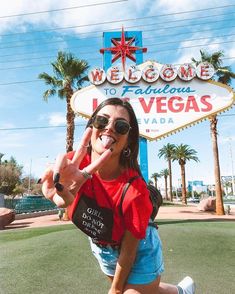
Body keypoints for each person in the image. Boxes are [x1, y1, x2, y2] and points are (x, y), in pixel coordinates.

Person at [40, 98, 195, 294]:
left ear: (129, 140)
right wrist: (55, 193)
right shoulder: (72, 166)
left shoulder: (135, 190)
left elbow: (130, 248)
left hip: (139, 248)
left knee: (127, 291)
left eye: (120, 126)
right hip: (103, 247)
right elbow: (56, 192)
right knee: (146, 290)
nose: (109, 128)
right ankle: (181, 292)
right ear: (92, 127)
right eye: (102, 121)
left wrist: (115, 289)